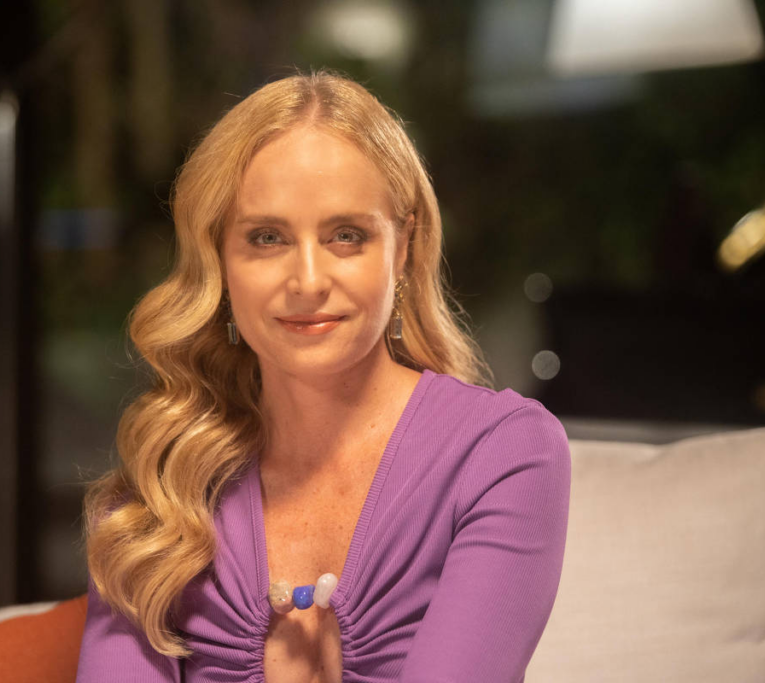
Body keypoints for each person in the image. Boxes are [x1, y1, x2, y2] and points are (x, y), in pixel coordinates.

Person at [76, 69, 571, 683]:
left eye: (346, 236)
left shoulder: (506, 455)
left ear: (403, 248)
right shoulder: (158, 493)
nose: (307, 281)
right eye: (267, 237)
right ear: (219, 260)